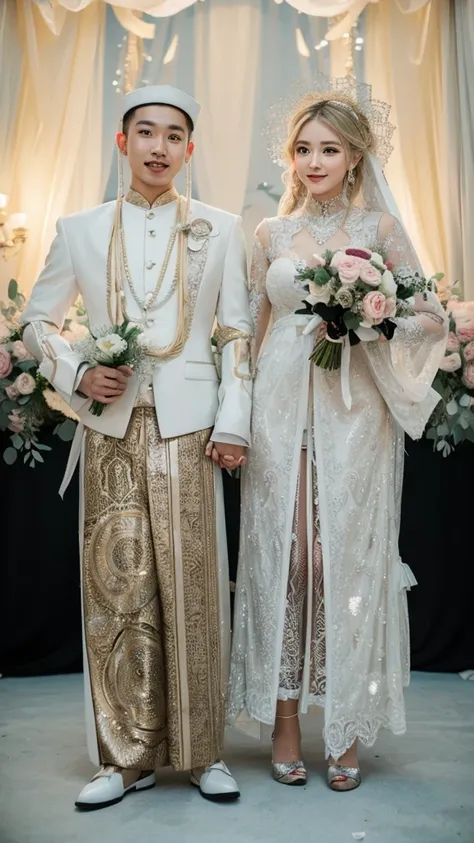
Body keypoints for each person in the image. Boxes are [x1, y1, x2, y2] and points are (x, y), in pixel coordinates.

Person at [22, 85, 252, 809]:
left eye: (174, 135)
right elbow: (37, 321)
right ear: (123, 143)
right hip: (112, 427)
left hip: (191, 425)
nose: (159, 146)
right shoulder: (81, 228)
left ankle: (203, 749)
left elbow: (237, 332)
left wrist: (234, 420)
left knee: (195, 587)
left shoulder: (221, 226)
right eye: (146, 133)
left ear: (189, 148)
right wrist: (77, 371)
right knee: (117, 591)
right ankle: (124, 757)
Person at [227, 79, 448, 791]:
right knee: (286, 562)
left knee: (340, 565)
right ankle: (285, 721)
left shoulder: (380, 231)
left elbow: (430, 317)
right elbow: (250, 329)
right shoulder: (269, 234)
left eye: (329, 149)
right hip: (280, 405)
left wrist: (372, 321)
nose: (313, 160)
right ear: (290, 158)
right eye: (303, 148)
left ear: (355, 158)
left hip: (355, 412)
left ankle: (347, 722)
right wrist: (238, 412)